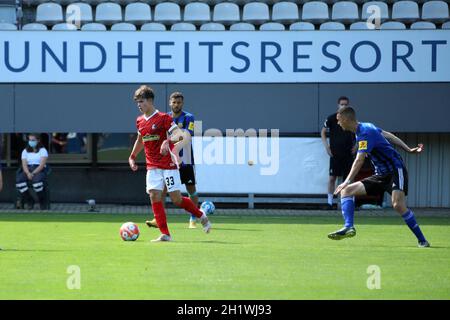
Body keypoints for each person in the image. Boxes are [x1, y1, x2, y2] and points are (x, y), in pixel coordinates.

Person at [328, 106, 430, 248]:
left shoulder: (365, 132)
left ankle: (422, 240)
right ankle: (349, 227)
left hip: (395, 170)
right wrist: (408, 149)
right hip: (381, 174)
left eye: (339, 120)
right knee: (347, 191)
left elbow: (359, 160)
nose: (338, 124)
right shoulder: (364, 128)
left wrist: (347, 180)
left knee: (398, 205)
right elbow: (388, 135)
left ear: (346, 118)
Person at [128, 85, 212, 242]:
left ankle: (201, 215)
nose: (139, 105)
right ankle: (165, 234)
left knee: (176, 199)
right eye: (137, 102)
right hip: (152, 166)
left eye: (141, 101)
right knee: (154, 195)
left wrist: (167, 141)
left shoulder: (163, 118)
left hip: (168, 165)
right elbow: (140, 139)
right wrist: (132, 156)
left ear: (150, 101)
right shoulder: (139, 120)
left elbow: (180, 135)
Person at [146, 91, 199, 229]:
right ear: (170, 103)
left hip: (185, 158)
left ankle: (193, 217)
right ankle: (158, 219)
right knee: (161, 190)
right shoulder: (164, 117)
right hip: (167, 160)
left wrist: (170, 141)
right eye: (174, 102)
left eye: (179, 102)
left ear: (182, 103)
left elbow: (187, 136)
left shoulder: (189, 117)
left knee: (190, 188)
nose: (176, 105)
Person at [321, 96, 355, 209]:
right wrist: (327, 147)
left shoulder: (351, 119)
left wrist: (356, 146)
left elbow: (359, 132)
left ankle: (350, 204)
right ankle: (330, 203)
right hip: (335, 154)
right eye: (342, 104)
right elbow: (323, 132)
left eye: (346, 104)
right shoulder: (331, 118)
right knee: (332, 178)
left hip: (348, 155)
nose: (343, 106)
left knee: (349, 180)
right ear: (338, 105)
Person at [15, 133, 49, 210]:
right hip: (27, 169)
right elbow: (24, 164)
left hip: (39, 169)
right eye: (29, 140)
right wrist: (27, 173)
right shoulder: (25, 151)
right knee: (19, 182)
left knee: (37, 184)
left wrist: (33, 173)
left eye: (33, 140)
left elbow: (41, 165)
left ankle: (42, 201)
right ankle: (30, 200)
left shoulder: (43, 150)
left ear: (38, 140)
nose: (31, 142)